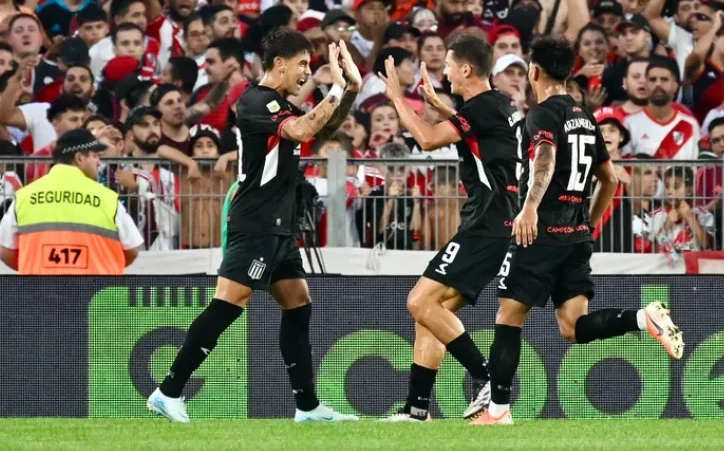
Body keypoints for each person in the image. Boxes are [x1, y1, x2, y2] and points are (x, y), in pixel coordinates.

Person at [147, 31, 361, 424]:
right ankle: (168, 390)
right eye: (302, 65)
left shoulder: (279, 104)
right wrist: (331, 90)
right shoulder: (255, 100)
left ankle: (308, 406)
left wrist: (348, 90)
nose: (306, 73)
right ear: (280, 63)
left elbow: (321, 130)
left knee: (297, 303)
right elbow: (301, 130)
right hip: (257, 220)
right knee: (229, 303)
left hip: (279, 224)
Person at [471, 36, 683, 425]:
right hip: (575, 235)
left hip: (541, 232)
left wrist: (530, 207)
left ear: (534, 71)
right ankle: (642, 318)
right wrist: (589, 222)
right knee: (572, 327)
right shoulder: (585, 116)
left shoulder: (543, 113)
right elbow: (611, 180)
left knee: (509, 317)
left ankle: (498, 411)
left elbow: (546, 158)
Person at [380, 35, 521, 422]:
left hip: (487, 223)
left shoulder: (482, 109)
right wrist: (441, 106)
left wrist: (397, 97)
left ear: (465, 69)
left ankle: (489, 382)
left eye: (447, 66)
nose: (443, 72)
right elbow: (477, 133)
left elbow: (426, 139)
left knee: (419, 301)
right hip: (496, 221)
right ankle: (417, 409)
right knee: (431, 312)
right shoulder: (501, 105)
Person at [0, 129, 143, 275]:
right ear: (79, 158)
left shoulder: (24, 197)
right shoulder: (107, 199)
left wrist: (33, 268)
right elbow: (132, 250)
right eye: (95, 156)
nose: (99, 162)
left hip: (41, 294)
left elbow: (5, 252)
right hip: (93, 294)